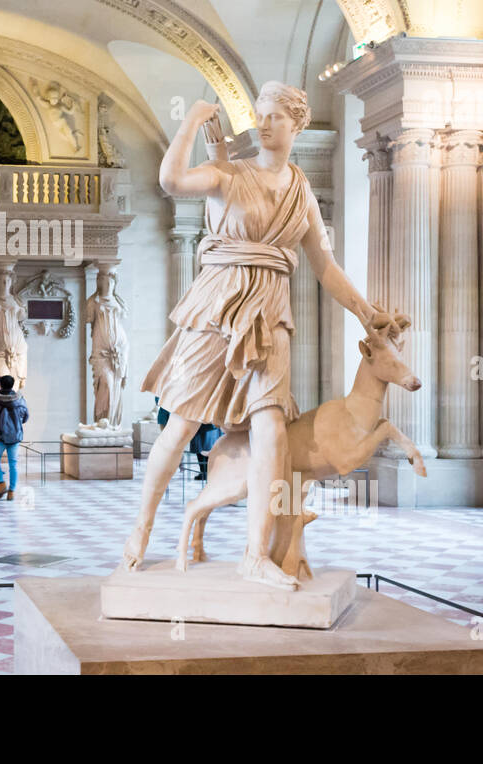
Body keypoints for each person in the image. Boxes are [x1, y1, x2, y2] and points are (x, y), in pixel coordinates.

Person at [122, 87, 388, 588]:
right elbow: (172, 179)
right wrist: (191, 119)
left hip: (270, 310)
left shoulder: (300, 189)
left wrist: (366, 312)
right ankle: (141, 528)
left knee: (271, 427)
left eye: (275, 118)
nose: (264, 126)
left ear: (296, 126)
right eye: (260, 117)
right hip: (217, 305)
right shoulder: (230, 173)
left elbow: (326, 267)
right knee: (180, 426)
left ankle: (254, 554)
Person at [0, 375, 29, 501]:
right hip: (15, 437)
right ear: (12, 385)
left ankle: (1, 484)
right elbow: (26, 416)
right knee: (13, 464)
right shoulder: (20, 398)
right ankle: (11, 491)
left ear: (1, 384)